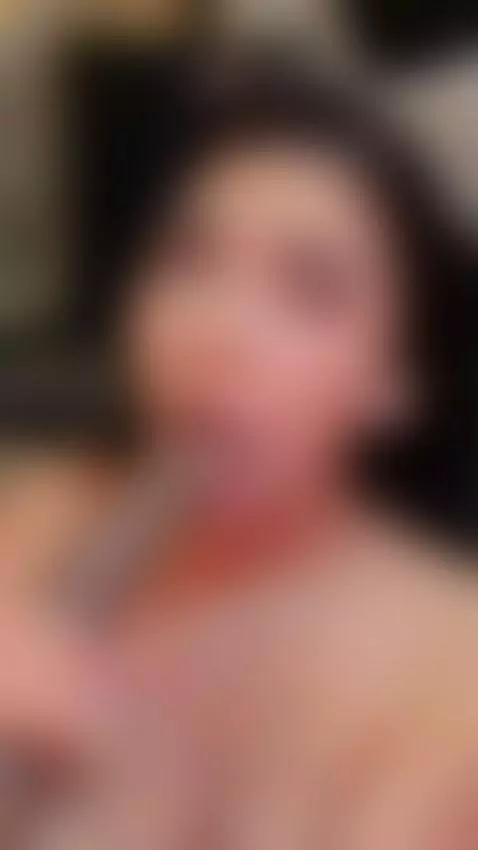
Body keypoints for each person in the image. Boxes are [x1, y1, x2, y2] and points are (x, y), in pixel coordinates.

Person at [0, 55, 477, 848]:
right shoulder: (35, 518)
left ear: (393, 382)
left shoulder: (449, 673)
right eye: (189, 259)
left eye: (309, 289)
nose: (217, 332)